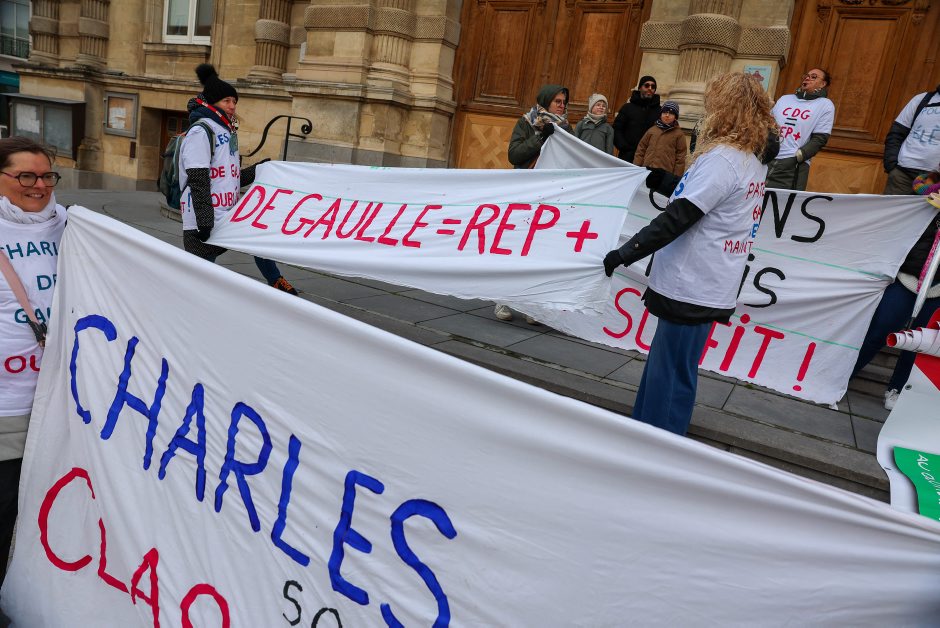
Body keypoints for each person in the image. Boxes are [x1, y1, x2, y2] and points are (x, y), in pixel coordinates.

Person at [602, 72, 778, 435]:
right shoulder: (751, 158)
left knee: (670, 374)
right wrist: (665, 181)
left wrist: (625, 252)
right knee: (665, 368)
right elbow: (708, 202)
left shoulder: (725, 159)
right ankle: (642, 434)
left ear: (724, 109)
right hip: (708, 281)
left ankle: (658, 445)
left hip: (692, 283)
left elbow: (679, 217)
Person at [0, 137, 67, 583]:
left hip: (60, 400)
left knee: (45, 512)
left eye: (46, 176)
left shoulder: (73, 227)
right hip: (6, 407)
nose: (39, 185)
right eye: (25, 175)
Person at [180, 64, 298, 295]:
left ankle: (276, 281)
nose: (233, 106)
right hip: (204, 218)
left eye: (234, 101)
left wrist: (259, 170)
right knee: (198, 279)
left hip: (227, 212)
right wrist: (205, 221)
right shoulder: (200, 132)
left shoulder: (226, 131)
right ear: (213, 103)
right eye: (227, 101)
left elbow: (230, 177)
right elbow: (198, 179)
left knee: (257, 236)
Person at [852, 159, 940, 410]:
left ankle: (898, 389)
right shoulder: (921, 192)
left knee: (921, 342)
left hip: (937, 288)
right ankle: (845, 374)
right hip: (907, 278)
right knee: (879, 329)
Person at [498, 84, 572, 323]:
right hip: (525, 192)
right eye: (558, 101)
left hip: (551, 196)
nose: (562, 106)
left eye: (564, 102)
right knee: (515, 247)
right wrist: (540, 137)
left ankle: (531, 305)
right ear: (546, 101)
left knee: (539, 251)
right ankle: (503, 299)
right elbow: (514, 154)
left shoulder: (566, 128)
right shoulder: (527, 122)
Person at [766, 68, 834, 191]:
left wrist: (799, 156)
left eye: (814, 77)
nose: (807, 78)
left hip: (792, 166)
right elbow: (767, 125)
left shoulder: (825, 105)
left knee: (782, 201)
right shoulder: (785, 99)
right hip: (766, 158)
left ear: (823, 84)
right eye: (806, 76)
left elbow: (820, 138)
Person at [883, 84, 940, 195]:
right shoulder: (922, 99)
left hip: (935, 180)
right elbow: (896, 133)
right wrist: (892, 166)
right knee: (892, 206)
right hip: (902, 175)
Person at [613, 76, 660, 163]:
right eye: (646, 85)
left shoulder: (659, 111)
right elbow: (617, 129)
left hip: (649, 158)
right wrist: (624, 147)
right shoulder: (627, 108)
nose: (650, 88)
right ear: (640, 88)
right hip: (627, 157)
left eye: (653, 87)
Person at [633, 100, 687, 176]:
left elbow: (680, 157)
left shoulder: (679, 134)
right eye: (665, 112)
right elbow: (641, 149)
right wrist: (636, 167)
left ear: (675, 117)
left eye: (671, 113)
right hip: (647, 170)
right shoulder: (652, 130)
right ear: (661, 114)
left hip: (665, 173)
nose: (667, 115)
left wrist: (676, 177)